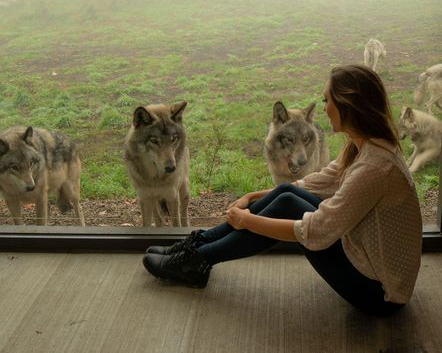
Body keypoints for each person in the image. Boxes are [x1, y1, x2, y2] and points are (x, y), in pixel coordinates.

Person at [143, 64, 423, 316]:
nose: (324, 108)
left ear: (348, 104)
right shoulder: (367, 146)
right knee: (287, 194)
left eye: (327, 100)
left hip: (380, 293)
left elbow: (317, 231)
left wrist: (247, 219)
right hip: (367, 261)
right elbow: (318, 182)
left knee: (288, 203)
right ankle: (198, 245)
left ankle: (196, 260)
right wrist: (252, 197)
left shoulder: (375, 167)